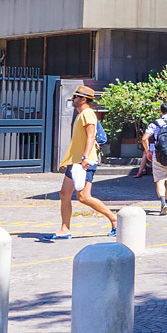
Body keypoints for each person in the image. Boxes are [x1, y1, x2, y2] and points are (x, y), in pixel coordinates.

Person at [53, 85, 117, 240]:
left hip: (84, 162)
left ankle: (114, 220)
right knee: (64, 194)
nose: (72, 99)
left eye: (75, 97)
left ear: (83, 99)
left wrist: (85, 157)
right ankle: (65, 228)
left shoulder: (87, 113)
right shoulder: (81, 114)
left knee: (83, 197)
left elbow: (91, 136)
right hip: (75, 162)